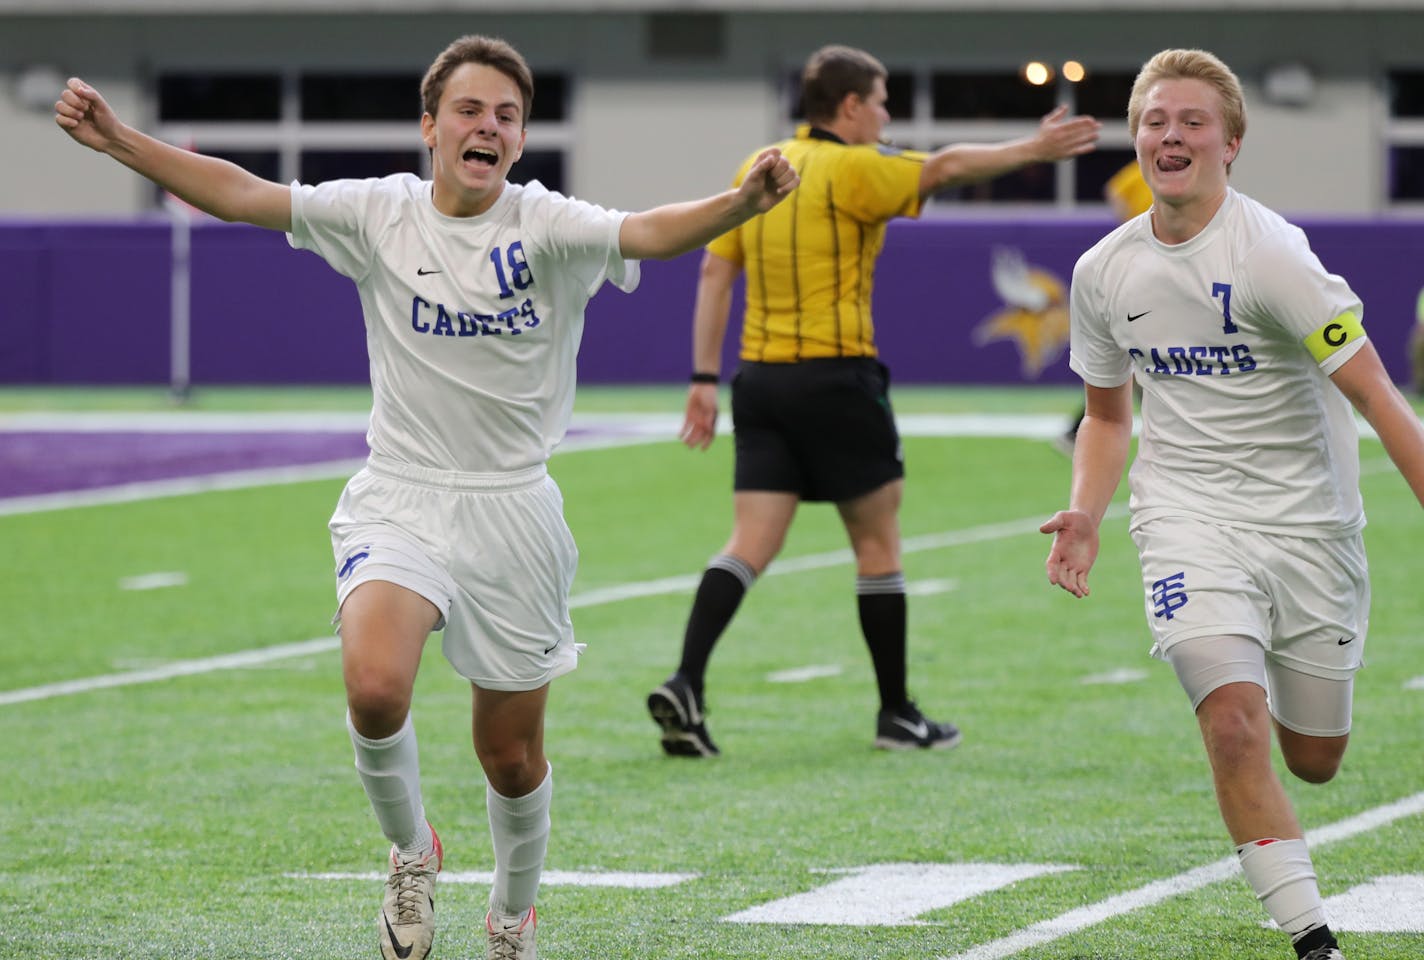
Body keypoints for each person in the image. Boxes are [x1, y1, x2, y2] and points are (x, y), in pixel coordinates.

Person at [56, 35, 796, 960]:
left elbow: (649, 230)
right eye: (470, 110)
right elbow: (243, 193)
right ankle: (413, 854)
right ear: (431, 126)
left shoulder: (547, 224)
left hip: (512, 510)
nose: (488, 127)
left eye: (507, 116)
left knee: (510, 758)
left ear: (520, 141)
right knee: (373, 689)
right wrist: (121, 140)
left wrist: (740, 203)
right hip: (400, 494)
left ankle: (511, 915)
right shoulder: (378, 213)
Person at [1040, 48, 1424, 960]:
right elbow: (1104, 415)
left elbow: (1375, 392)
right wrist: (1088, 512)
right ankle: (1313, 938)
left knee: (1314, 757)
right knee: (1233, 720)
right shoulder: (1103, 272)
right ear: (1136, 140)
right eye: (1155, 122)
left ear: (1231, 143)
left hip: (1311, 528)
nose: (1171, 136)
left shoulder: (1275, 258)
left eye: (1192, 122)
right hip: (1184, 519)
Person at [646, 44, 1100, 757]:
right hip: (838, 378)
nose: (887, 116)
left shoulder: (756, 168)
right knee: (878, 543)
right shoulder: (856, 166)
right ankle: (897, 715)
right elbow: (945, 167)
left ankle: (687, 682)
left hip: (759, 381)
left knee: (749, 543)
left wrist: (703, 380)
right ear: (850, 107)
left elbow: (712, 273)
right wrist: (1034, 147)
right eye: (883, 103)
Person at [1052, 157, 1152, 456]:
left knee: (1133, 367)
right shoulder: (1144, 172)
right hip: (1142, 266)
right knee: (1128, 364)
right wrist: (1131, 221)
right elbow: (1115, 191)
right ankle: (1075, 430)